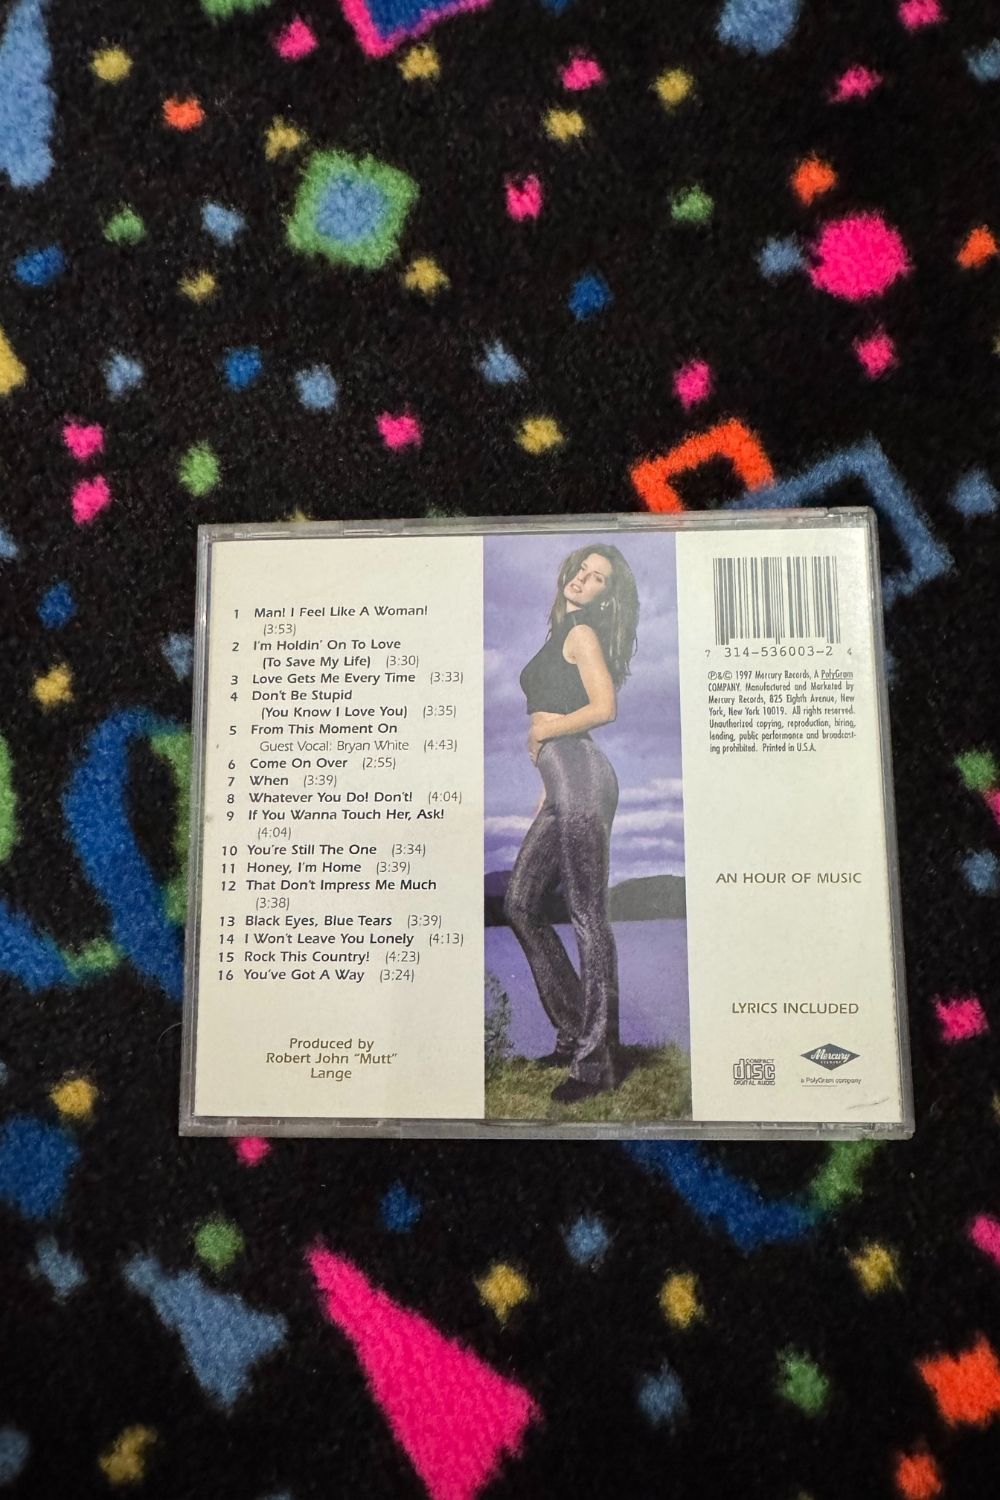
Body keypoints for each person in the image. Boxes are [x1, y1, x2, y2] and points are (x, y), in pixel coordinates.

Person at [503, 544, 639, 1103]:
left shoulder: (582, 632)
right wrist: (546, 789)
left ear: (607, 595)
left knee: (586, 913)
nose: (584, 579)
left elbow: (604, 708)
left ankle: (595, 1063)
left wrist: (541, 734)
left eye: (598, 577)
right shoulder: (559, 631)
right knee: (520, 903)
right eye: (582, 569)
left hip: (581, 774)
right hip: (563, 781)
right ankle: (574, 1032)